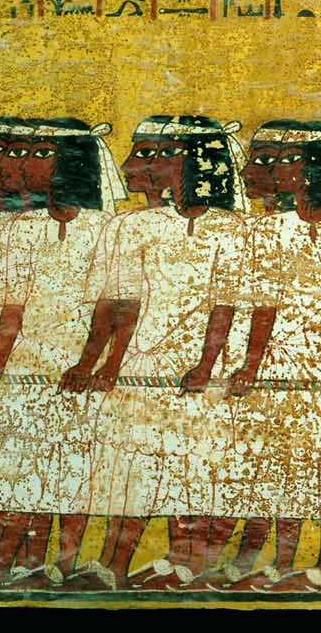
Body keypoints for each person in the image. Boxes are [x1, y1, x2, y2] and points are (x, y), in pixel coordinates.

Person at [61, 115, 247, 588]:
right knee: (133, 467)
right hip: (144, 357)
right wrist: (94, 362)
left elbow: (225, 303)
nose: (129, 165)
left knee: (196, 464)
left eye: (147, 154)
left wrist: (206, 364)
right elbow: (116, 303)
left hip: (209, 362)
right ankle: (113, 565)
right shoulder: (130, 225)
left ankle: (187, 564)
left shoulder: (232, 229)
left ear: (191, 161)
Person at [0, 118, 123, 584]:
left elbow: (111, 305)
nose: (18, 166)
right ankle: (26, 563)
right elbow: (12, 302)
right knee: (23, 464)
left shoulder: (106, 229)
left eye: (40, 155)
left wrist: (88, 363)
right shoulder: (22, 227)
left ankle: (65, 564)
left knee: (75, 467)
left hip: (81, 359)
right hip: (27, 362)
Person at [222, 120, 321, 589]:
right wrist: (252, 364)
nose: (281, 169)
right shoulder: (267, 229)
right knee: (276, 461)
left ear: (319, 168)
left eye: (292, 160)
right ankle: (279, 558)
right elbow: (263, 304)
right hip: (280, 361)